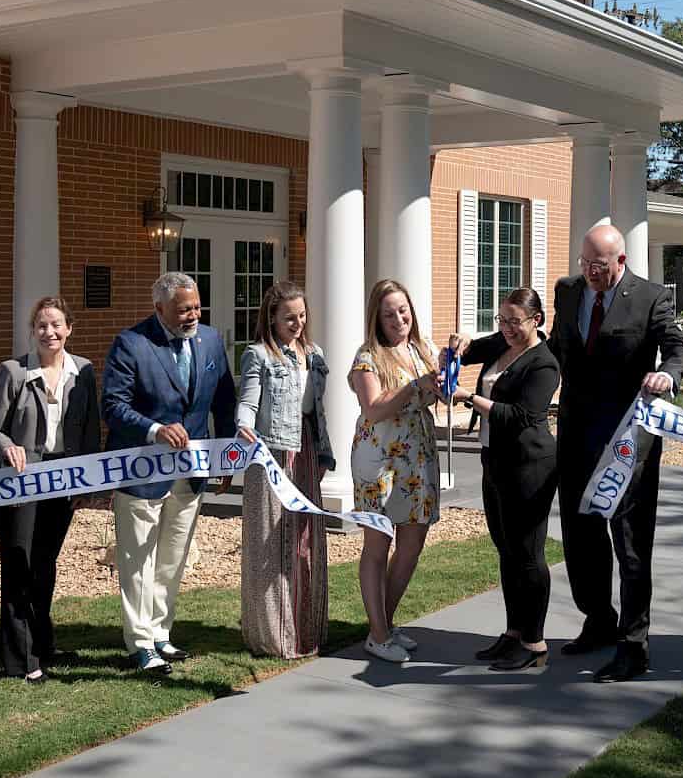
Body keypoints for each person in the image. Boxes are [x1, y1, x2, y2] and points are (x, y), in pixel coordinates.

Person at [548, 224, 683, 683]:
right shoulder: (568, 292)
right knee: (580, 537)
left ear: (621, 262)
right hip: (575, 437)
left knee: (630, 546)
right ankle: (598, 620)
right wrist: (489, 354)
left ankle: (634, 644)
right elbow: (551, 350)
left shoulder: (649, 297)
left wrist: (667, 376)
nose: (591, 273)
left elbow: (677, 349)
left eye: (600, 266)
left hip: (627, 443)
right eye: (585, 264)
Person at [102, 272, 237, 675]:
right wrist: (155, 429)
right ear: (159, 308)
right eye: (183, 310)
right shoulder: (132, 343)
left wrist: (226, 457)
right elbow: (113, 404)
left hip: (191, 471)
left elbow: (224, 399)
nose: (192, 315)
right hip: (143, 471)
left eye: (196, 307)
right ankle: (140, 643)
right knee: (138, 560)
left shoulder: (211, 340)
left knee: (173, 558)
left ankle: (161, 632)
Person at [0, 295, 100, 684]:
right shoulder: (14, 372)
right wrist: (7, 447)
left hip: (64, 478)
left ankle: (42, 642)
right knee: (19, 566)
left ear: (69, 329)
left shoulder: (83, 371)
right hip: (20, 482)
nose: (49, 332)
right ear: (33, 331)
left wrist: (88, 482)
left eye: (56, 325)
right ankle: (20, 657)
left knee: (45, 565)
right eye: (41, 325)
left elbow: (89, 431)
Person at [450, 287, 562, 672]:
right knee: (506, 549)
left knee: (528, 552)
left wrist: (466, 398)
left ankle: (535, 643)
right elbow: (467, 352)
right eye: (502, 320)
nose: (508, 329)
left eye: (516, 321)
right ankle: (514, 632)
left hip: (529, 465)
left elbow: (521, 416)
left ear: (537, 321)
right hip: (494, 460)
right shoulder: (501, 344)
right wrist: (460, 342)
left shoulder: (544, 363)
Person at [234, 280, 334, 659]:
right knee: (270, 546)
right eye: (289, 317)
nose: (297, 323)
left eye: (302, 316)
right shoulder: (258, 355)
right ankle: (273, 634)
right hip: (271, 455)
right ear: (272, 319)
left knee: (303, 542)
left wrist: (325, 455)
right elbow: (248, 400)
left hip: (307, 450)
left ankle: (306, 627)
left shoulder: (315, 354)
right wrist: (243, 425)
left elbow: (319, 410)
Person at [348, 278, 445, 663]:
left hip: (418, 458)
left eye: (403, 310)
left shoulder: (423, 350)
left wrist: (442, 383)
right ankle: (378, 632)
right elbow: (372, 408)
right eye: (389, 314)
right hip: (380, 460)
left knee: (412, 544)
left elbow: (435, 394)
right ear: (377, 318)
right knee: (377, 545)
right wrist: (413, 387)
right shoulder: (367, 356)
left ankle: (383, 627)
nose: (398, 318)